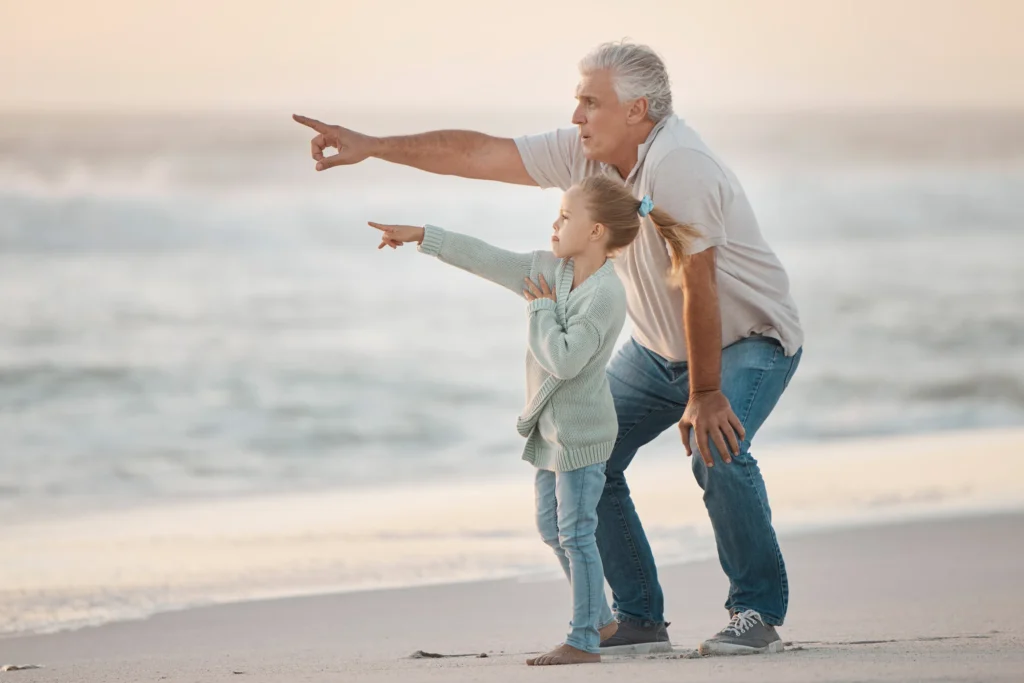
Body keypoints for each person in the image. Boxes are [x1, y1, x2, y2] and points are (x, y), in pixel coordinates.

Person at [295, 40, 803, 656]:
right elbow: (477, 153)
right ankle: (639, 619)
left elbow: (699, 284)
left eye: (590, 102)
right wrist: (374, 146)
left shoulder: (680, 165)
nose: (576, 116)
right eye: (578, 102)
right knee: (588, 456)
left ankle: (756, 612)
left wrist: (706, 392)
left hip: (749, 340)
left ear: (637, 110)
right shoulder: (586, 153)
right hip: (657, 349)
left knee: (716, 449)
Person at [369, 175, 695, 665]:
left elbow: (564, 360)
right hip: (550, 432)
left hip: (582, 434)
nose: (554, 224)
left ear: (596, 231)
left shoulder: (605, 295)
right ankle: (602, 621)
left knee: (577, 534)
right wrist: (422, 235)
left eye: (565, 217)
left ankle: (584, 639)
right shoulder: (548, 269)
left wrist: (539, 311)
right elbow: (487, 257)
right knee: (551, 527)